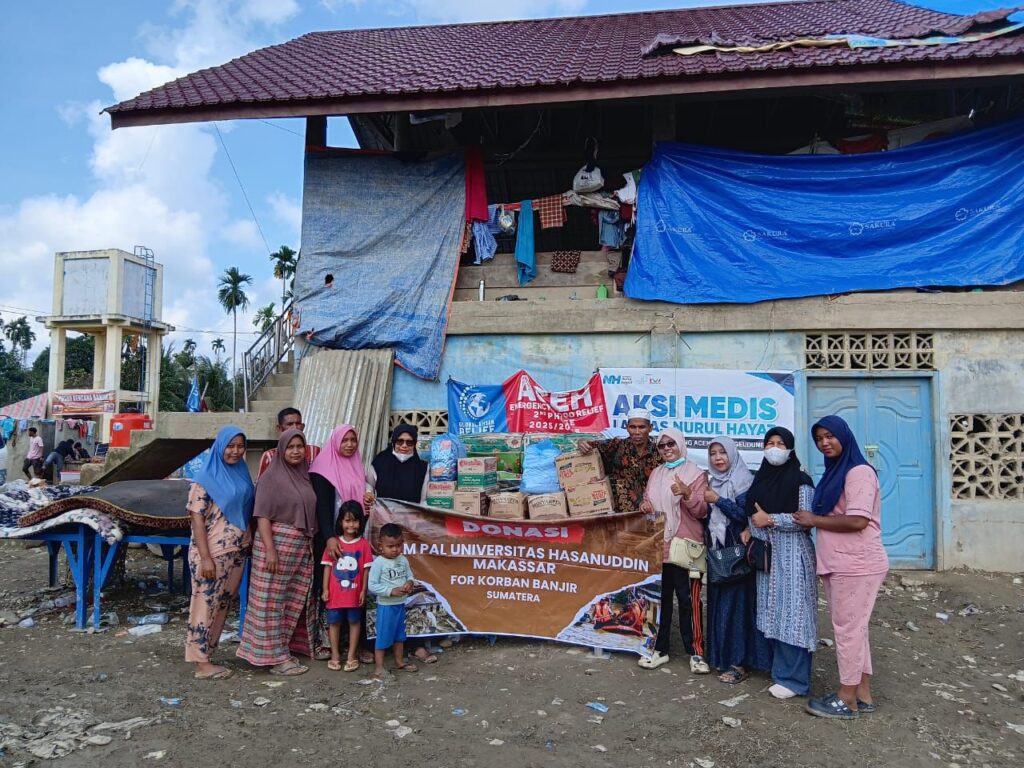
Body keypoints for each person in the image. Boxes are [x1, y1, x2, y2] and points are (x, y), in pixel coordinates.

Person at [797, 415, 889, 720]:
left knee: (847, 630)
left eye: (830, 436)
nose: (825, 442)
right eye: (819, 438)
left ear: (844, 436)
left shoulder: (859, 472)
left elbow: (858, 520)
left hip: (856, 563)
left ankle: (846, 698)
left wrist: (813, 520)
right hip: (842, 563)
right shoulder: (837, 471)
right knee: (855, 629)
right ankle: (862, 693)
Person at [236, 428, 319, 676]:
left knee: (289, 602)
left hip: (299, 548)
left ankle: (282, 650)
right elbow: (262, 516)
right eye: (291, 447)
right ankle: (274, 659)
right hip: (275, 548)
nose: (296, 452)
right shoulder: (271, 477)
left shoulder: (304, 476)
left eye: (299, 447)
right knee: (269, 604)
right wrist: (271, 550)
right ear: (281, 450)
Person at [746, 427, 817, 699]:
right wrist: (748, 527)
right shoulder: (761, 478)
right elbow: (751, 509)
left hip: (792, 556)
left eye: (780, 443)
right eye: (770, 443)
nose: (775, 448)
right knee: (774, 614)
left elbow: (805, 519)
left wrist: (772, 520)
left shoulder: (801, 480)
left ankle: (796, 680)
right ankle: (781, 673)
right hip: (768, 558)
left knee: (794, 616)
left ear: (790, 449)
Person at [637, 428, 710, 674]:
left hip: (687, 546)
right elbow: (649, 504)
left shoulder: (695, 474)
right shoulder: (656, 473)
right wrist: (645, 506)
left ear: (680, 444)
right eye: (661, 445)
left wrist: (687, 494)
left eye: (671, 443)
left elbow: (702, 511)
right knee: (660, 599)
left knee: (690, 600)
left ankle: (696, 652)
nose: (667, 448)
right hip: (660, 546)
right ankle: (660, 649)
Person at [185, 425, 255, 680]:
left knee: (222, 604)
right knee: (203, 604)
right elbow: (196, 518)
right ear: (219, 447)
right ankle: (200, 663)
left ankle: (208, 654)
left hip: (236, 552)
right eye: (230, 446)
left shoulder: (241, 473)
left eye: (240, 446)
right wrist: (205, 558)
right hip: (211, 553)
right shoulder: (205, 479)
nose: (235, 451)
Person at [703, 436, 770, 684]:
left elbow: (746, 515)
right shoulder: (711, 482)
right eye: (714, 453)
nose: (718, 458)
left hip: (738, 553)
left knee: (738, 609)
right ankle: (721, 657)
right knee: (720, 606)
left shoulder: (744, 481)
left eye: (723, 452)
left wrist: (718, 501)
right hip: (717, 552)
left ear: (732, 454)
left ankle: (740, 663)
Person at [309, 424, 374, 661]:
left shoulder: (358, 466)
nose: (349, 445)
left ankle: (356, 646)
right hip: (332, 541)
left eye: (353, 440)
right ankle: (327, 642)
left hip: (355, 540)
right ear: (336, 441)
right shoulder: (322, 469)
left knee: (355, 589)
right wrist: (329, 538)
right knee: (330, 590)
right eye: (344, 440)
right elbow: (323, 508)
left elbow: (363, 505)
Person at [321, 501, 374, 671]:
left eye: (355, 521)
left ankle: (351, 655)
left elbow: (366, 570)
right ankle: (335, 655)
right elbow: (328, 567)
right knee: (334, 622)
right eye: (347, 520)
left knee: (354, 621)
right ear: (340, 522)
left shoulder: (364, 545)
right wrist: (325, 589)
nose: (351, 525)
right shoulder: (334, 543)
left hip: (355, 593)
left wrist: (363, 590)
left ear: (360, 522)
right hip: (335, 594)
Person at [578, 408, 662, 512]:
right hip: (622, 512)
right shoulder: (617, 445)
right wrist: (581, 442)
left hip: (651, 509)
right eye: (632, 427)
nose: (637, 432)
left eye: (641, 427)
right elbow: (591, 444)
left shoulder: (659, 452)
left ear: (650, 428)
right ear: (627, 428)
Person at [367, 522, 417, 681]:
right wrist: (391, 591)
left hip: (400, 605)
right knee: (383, 636)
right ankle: (379, 669)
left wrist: (409, 583)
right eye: (390, 546)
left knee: (399, 635)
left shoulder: (403, 560)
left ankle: (399, 661)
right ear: (380, 545)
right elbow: (372, 585)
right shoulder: (379, 563)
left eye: (398, 545)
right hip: (386, 606)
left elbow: (410, 575)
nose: (395, 549)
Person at [367, 424, 428, 504]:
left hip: (410, 515)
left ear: (414, 444)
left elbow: (423, 500)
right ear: (394, 442)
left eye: (409, 442)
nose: (404, 445)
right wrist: (368, 495)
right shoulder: (379, 462)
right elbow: (369, 486)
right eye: (400, 441)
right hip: (382, 515)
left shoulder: (422, 468)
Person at [257, 407, 321, 479]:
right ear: (279, 428)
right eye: (290, 424)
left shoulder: (316, 452)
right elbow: (262, 485)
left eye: (298, 423)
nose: (295, 427)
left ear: (303, 427)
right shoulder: (269, 457)